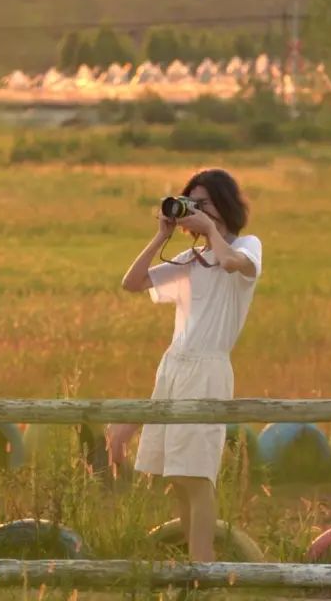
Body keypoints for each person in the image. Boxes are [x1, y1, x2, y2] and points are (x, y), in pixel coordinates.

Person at [112, 168, 262, 562]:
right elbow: (132, 283)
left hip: (208, 370)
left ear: (224, 204)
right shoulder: (191, 260)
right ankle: (193, 567)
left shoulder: (247, 245)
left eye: (204, 203)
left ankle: (201, 568)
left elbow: (231, 263)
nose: (196, 210)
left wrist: (210, 230)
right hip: (173, 368)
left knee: (197, 477)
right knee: (177, 476)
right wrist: (162, 235)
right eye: (190, 203)